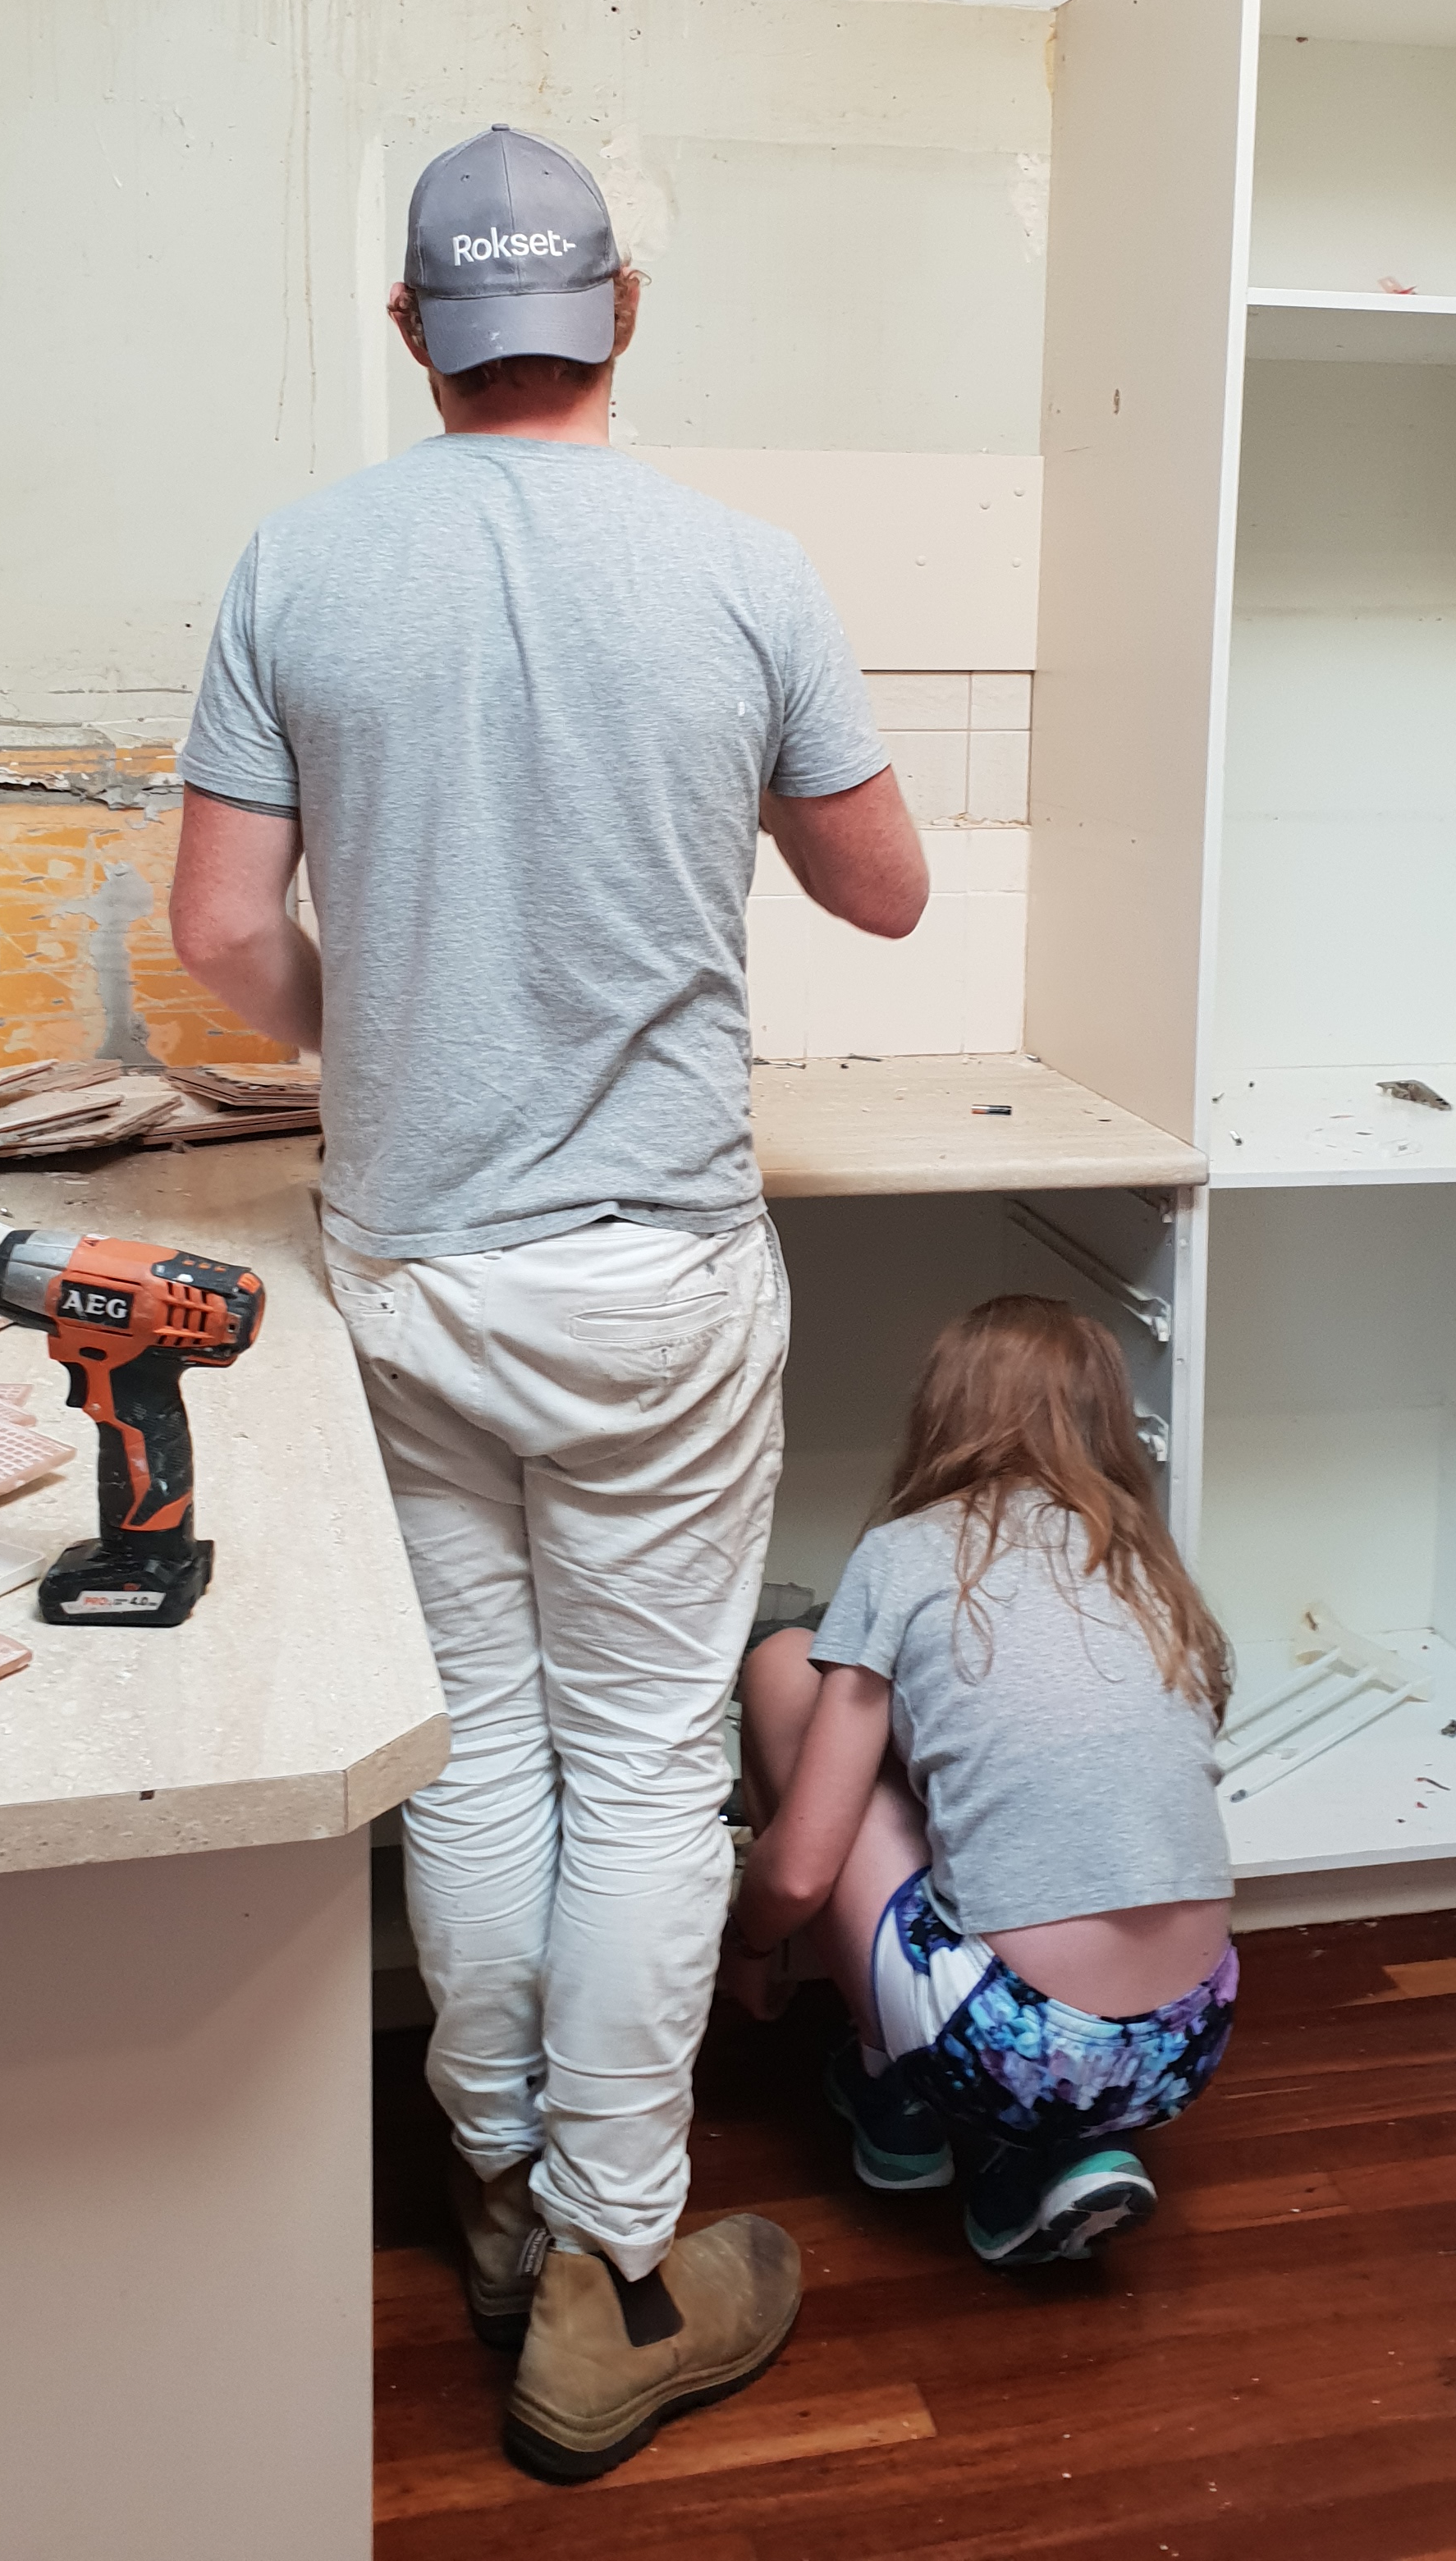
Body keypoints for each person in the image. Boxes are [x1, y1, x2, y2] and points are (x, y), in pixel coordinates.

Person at [167, 124, 927, 2482]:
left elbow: (217, 935)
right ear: (618, 318)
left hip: (412, 1272)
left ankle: (496, 2184)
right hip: (657, 1287)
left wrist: (384, 1028)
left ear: (414, 328)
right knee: (647, 1764)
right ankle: (615, 2268)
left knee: (482, 1752)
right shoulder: (743, 571)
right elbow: (886, 890)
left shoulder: (297, 566)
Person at [727, 1294, 1238, 2269]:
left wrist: (747, 1946)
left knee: (786, 1668)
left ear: (944, 1409)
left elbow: (800, 1872)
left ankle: (899, 2097)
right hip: (1187, 2042)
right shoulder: (1150, 1562)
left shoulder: (906, 1552)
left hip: (1015, 2044)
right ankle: (1049, 2153)